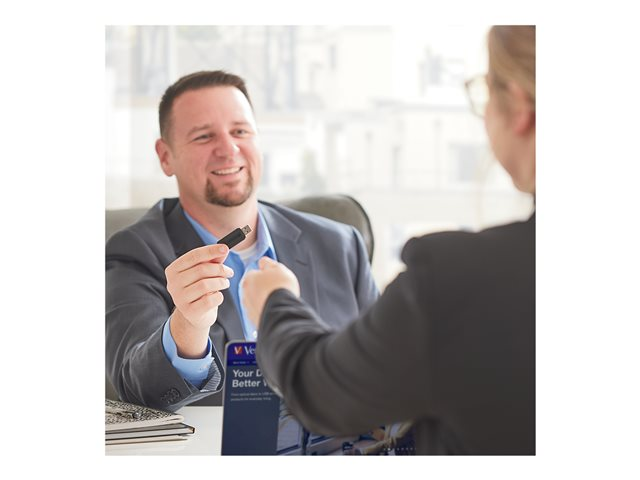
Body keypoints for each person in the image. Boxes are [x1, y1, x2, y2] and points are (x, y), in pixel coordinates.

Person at [241, 25, 536, 455]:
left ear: (520, 105)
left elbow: (323, 390)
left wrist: (275, 303)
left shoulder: (453, 280)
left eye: (486, 90)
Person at [105, 71, 378, 410]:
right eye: (204, 136)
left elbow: (387, 373)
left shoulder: (341, 244)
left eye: (240, 131)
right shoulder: (134, 254)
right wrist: (188, 326)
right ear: (165, 157)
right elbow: (137, 394)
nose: (229, 149)